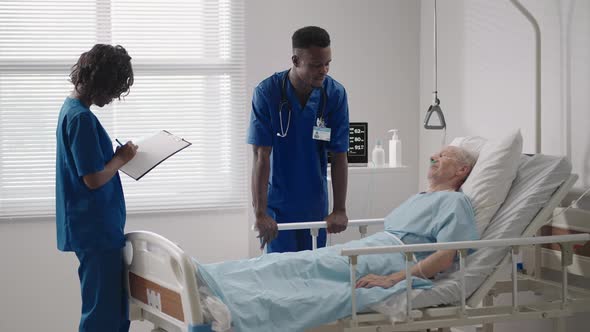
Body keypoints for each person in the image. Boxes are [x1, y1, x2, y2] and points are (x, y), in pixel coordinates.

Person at [197, 146, 478, 332]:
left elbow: (446, 255)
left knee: (302, 271)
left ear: (461, 171)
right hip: (374, 248)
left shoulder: (455, 202)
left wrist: (394, 278)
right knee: (292, 263)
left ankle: (228, 304)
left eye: (444, 156)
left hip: (390, 258)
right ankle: (211, 279)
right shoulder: (422, 197)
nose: (434, 157)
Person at [55, 44, 137, 332]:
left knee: (111, 309)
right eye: (113, 90)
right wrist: (121, 159)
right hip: (95, 230)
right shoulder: (81, 119)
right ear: (100, 83)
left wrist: (114, 159)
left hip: (94, 228)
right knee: (102, 313)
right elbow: (92, 178)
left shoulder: (72, 110)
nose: (114, 97)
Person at [248, 26, 350, 253]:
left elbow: (340, 154)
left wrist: (340, 209)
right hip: (278, 207)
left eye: (327, 63)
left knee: (313, 274)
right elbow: (260, 156)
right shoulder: (268, 93)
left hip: (316, 206)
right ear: (295, 60)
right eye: (315, 65)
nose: (323, 70)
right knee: (280, 274)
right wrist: (260, 213)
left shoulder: (334, 94)